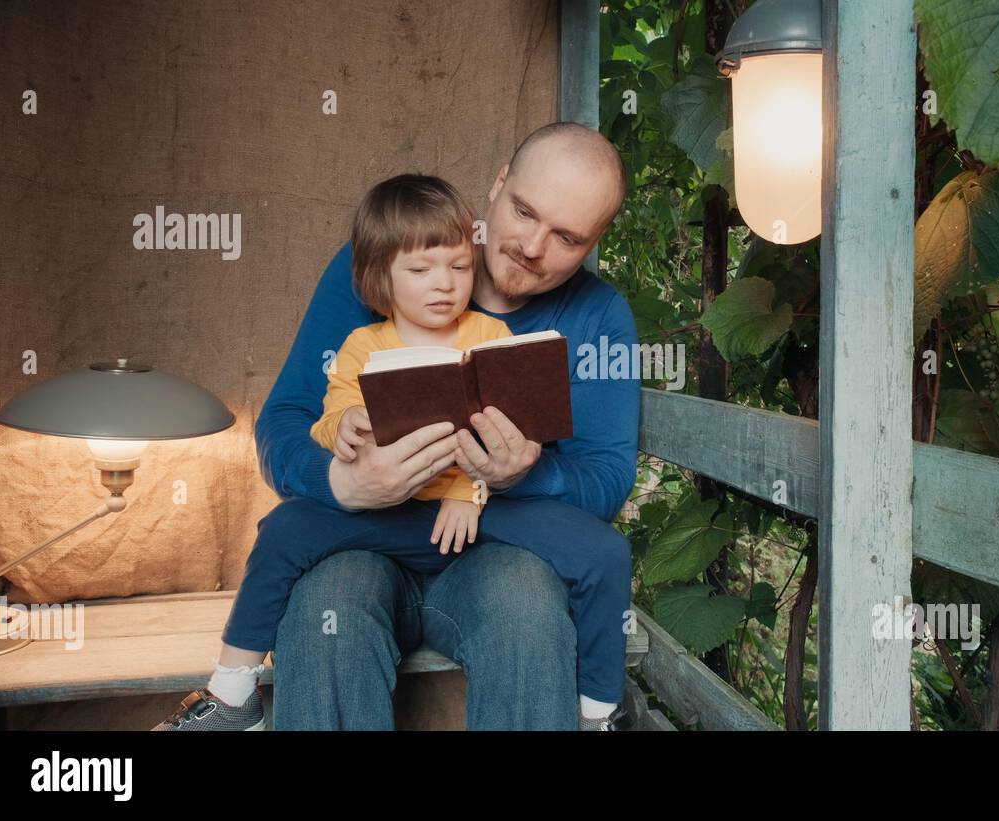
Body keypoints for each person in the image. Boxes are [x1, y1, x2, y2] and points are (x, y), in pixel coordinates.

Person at [155, 122, 640, 730]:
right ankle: (231, 700)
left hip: (499, 550)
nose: (532, 246)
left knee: (526, 604)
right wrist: (341, 483)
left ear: (595, 242)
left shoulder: (599, 316)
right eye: (523, 211)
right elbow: (285, 421)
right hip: (362, 541)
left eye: (567, 237)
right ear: (498, 184)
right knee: (326, 604)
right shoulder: (385, 258)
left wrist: (526, 473)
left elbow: (608, 480)